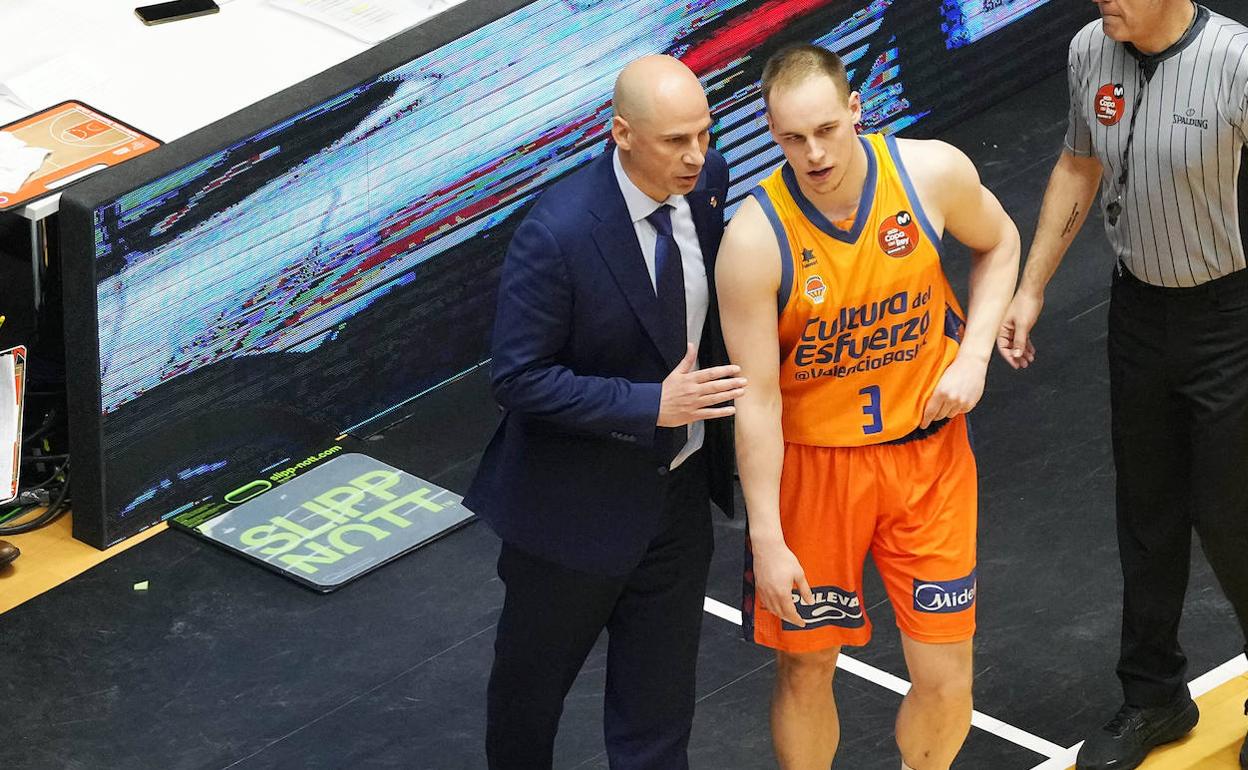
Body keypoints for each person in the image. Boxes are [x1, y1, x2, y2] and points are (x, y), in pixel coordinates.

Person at [716, 44, 1019, 770]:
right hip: (816, 475)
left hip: (929, 460)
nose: (814, 153)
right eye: (792, 138)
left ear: (857, 109)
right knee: (807, 666)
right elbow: (754, 402)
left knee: (947, 682)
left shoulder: (931, 173)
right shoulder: (754, 242)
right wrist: (766, 535)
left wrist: (974, 355)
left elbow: (1001, 241)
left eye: (826, 129)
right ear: (770, 132)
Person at [463, 55, 744, 770]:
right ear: (620, 133)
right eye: (675, 141)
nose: (696, 156)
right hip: (570, 518)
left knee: (658, 717)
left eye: (704, 135)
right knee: (529, 704)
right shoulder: (556, 234)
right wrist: (653, 404)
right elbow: (518, 378)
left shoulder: (708, 186)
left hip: (677, 504)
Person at [996, 2, 1248, 768]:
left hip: (1231, 316)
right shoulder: (1089, 51)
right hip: (1138, 310)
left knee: (1232, 518)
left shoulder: (1237, 62)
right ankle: (1153, 698)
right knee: (1147, 511)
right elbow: (1079, 161)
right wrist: (1032, 286)